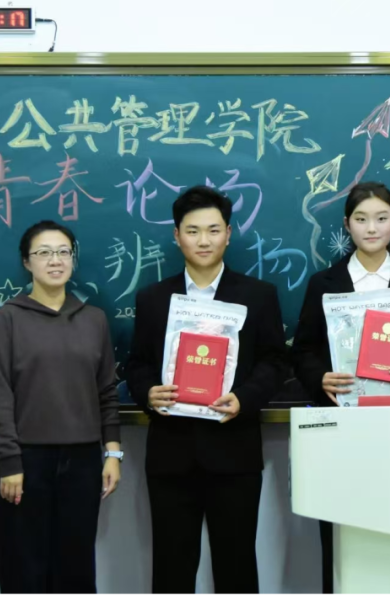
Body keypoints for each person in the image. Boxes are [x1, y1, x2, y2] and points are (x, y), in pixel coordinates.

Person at [123, 185, 289, 595]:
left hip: (234, 452)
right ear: (176, 235)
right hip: (171, 454)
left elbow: (275, 361)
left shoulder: (258, 296)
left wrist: (244, 398)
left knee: (236, 566)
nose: (203, 240)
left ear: (228, 234)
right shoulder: (153, 298)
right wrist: (148, 393)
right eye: (193, 230)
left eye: (213, 230)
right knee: (171, 568)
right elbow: (137, 364)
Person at [291, 181, 390, 595]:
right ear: (347, 225)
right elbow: (303, 350)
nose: (371, 228)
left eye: (381, 218)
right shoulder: (324, 282)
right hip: (341, 426)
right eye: (361, 219)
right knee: (339, 528)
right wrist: (320, 377)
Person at [0, 220, 122, 595]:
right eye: (43, 253)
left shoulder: (94, 319)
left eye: (63, 252)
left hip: (82, 462)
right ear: (27, 262)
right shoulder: (8, 318)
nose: (55, 260)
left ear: (73, 259)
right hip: (25, 462)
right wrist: (9, 462)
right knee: (24, 571)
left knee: (75, 571)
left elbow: (107, 392)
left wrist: (113, 453)